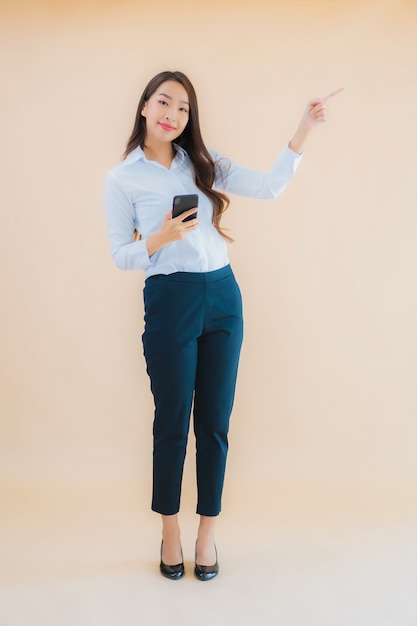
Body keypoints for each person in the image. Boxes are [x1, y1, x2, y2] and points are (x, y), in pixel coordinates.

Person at [103, 70, 342, 581]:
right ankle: (169, 529)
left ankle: (206, 534)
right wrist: (162, 236)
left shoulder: (203, 165)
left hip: (223, 296)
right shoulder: (123, 177)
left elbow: (270, 186)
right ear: (145, 106)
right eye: (164, 103)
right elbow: (121, 255)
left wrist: (304, 127)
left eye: (183, 108)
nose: (173, 114)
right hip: (170, 298)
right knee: (172, 421)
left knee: (214, 421)